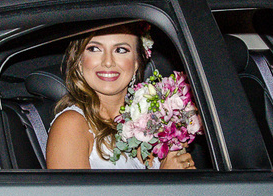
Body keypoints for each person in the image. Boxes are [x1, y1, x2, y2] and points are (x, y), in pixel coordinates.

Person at [45, 24, 197, 170]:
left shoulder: (156, 118)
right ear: (79, 61)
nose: (108, 62)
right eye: (95, 49)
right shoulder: (71, 125)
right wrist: (167, 181)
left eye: (121, 50)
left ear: (137, 61)